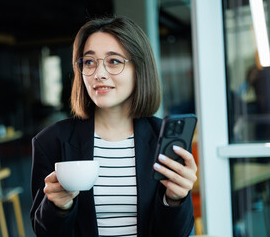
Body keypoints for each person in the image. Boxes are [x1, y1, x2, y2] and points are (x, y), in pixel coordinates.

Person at [30, 16, 197, 237]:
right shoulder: (50, 141)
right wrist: (59, 207)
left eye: (114, 61)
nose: (98, 73)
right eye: (89, 62)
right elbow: (44, 232)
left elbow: (177, 234)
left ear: (139, 68)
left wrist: (175, 200)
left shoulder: (161, 139)